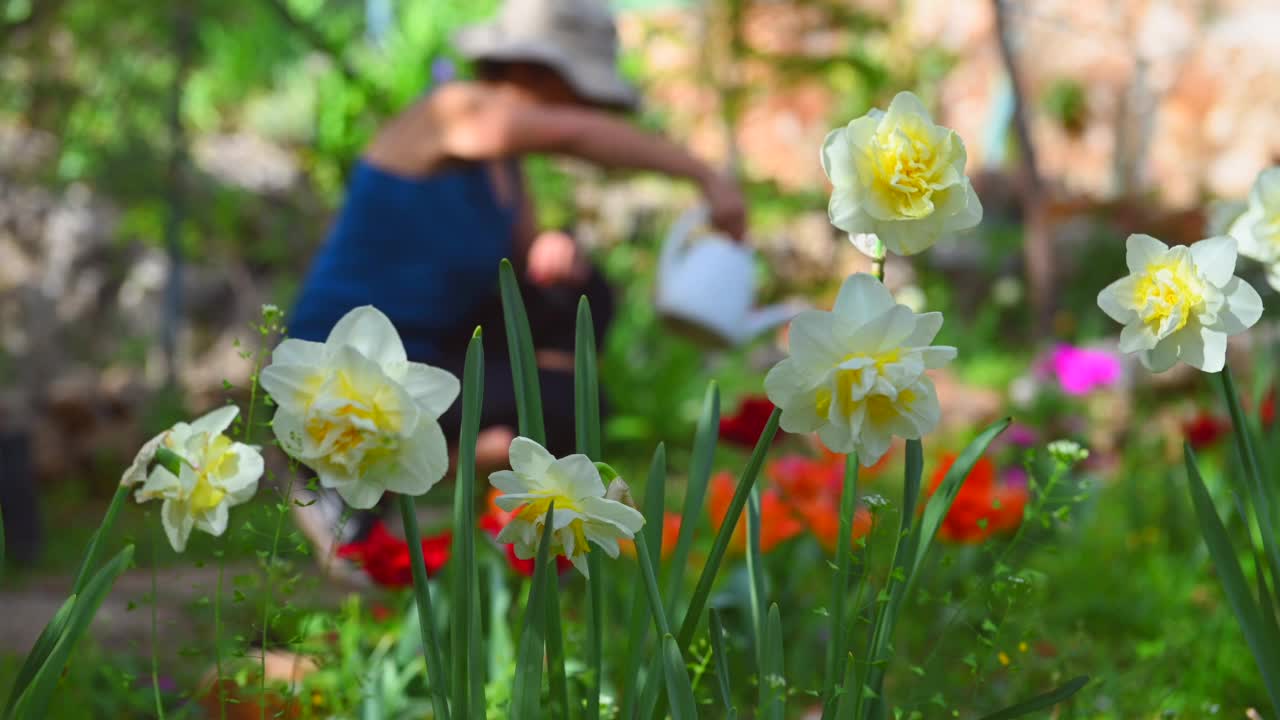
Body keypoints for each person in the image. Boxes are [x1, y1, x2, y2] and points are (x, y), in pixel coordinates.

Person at [286, 0, 747, 574]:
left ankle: (484, 495)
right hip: (354, 363)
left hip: (435, 357)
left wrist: (552, 250)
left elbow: (522, 278)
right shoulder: (450, 110)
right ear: (535, 74)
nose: (589, 112)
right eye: (583, 97)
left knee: (579, 314)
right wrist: (704, 176)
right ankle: (343, 464)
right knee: (561, 400)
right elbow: (570, 134)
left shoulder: (507, 175)